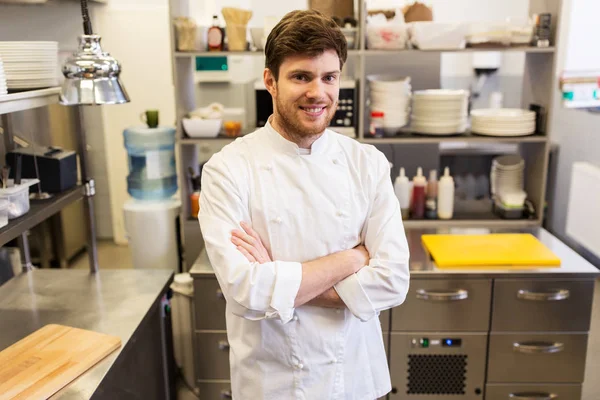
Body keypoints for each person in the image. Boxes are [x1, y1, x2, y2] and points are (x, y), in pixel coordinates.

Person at [198, 9, 410, 400]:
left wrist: (279, 282)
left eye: (329, 77)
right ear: (270, 82)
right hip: (273, 384)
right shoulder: (227, 170)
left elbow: (393, 281)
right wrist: (352, 260)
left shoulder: (367, 163)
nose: (318, 92)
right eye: (301, 77)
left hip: (356, 381)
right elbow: (244, 290)